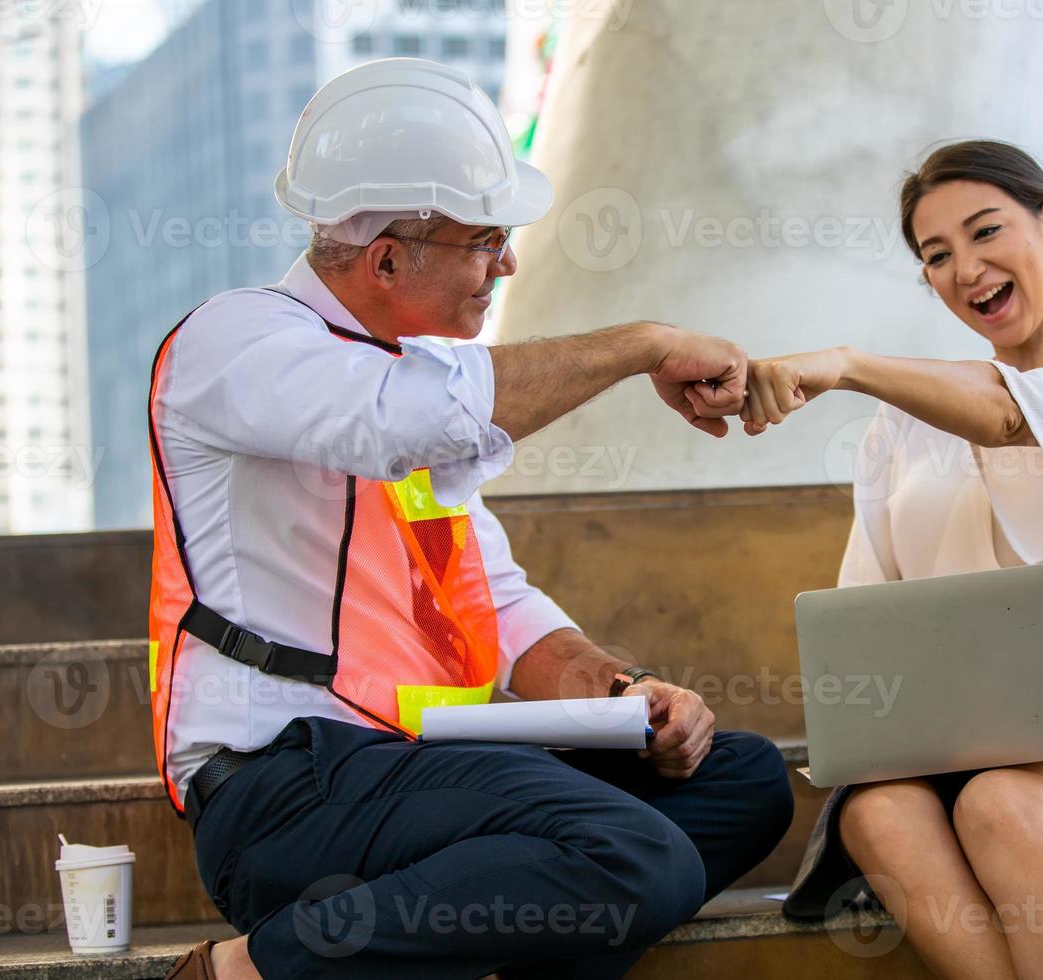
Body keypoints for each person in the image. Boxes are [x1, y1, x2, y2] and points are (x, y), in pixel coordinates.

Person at [157, 59, 792, 980]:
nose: (508, 263)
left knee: (739, 780)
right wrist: (641, 345)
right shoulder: (240, 343)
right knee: (634, 853)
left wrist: (623, 696)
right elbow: (399, 419)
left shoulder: (414, 386)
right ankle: (247, 972)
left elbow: (491, 600)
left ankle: (466, 955)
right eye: (486, 239)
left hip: (426, 773)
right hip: (286, 787)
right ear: (385, 257)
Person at [743, 140, 1043, 978]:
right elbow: (863, 610)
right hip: (931, 726)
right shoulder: (900, 429)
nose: (966, 269)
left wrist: (846, 365)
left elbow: (1006, 416)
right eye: (937, 256)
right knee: (874, 814)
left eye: (986, 232)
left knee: (1002, 801)